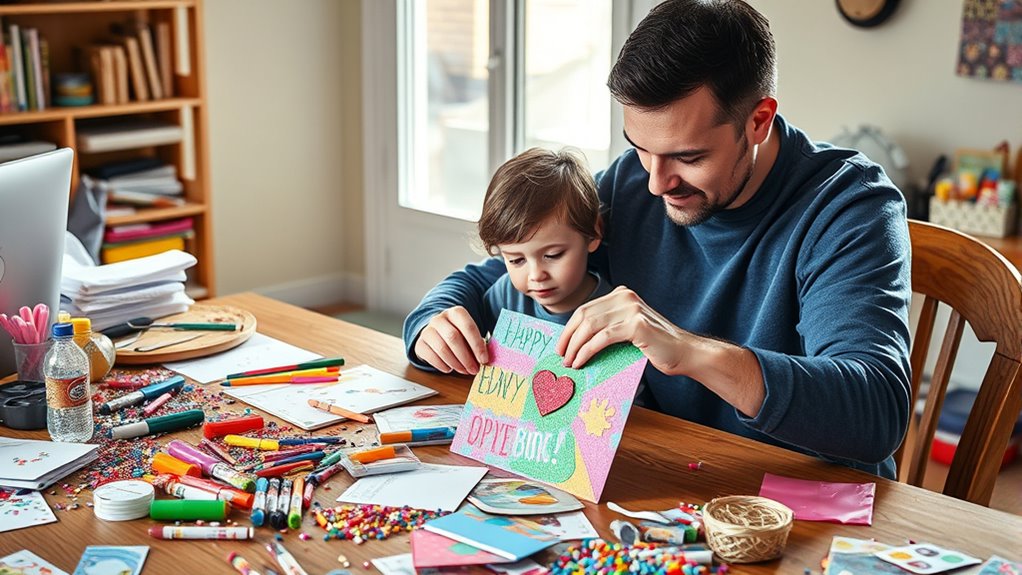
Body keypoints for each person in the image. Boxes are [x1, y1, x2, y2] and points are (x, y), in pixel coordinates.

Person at [403, 0, 911, 479]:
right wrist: (433, 322)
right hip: (667, 478)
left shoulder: (848, 208)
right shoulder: (630, 182)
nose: (655, 183)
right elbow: (497, 272)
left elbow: (876, 411)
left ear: (758, 121)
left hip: (801, 505)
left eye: (688, 158)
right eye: (641, 148)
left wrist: (687, 350)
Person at [418, 147, 611, 365]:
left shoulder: (611, 311)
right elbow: (448, 341)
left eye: (553, 255)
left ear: (594, 232)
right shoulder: (504, 295)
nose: (536, 275)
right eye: (516, 260)